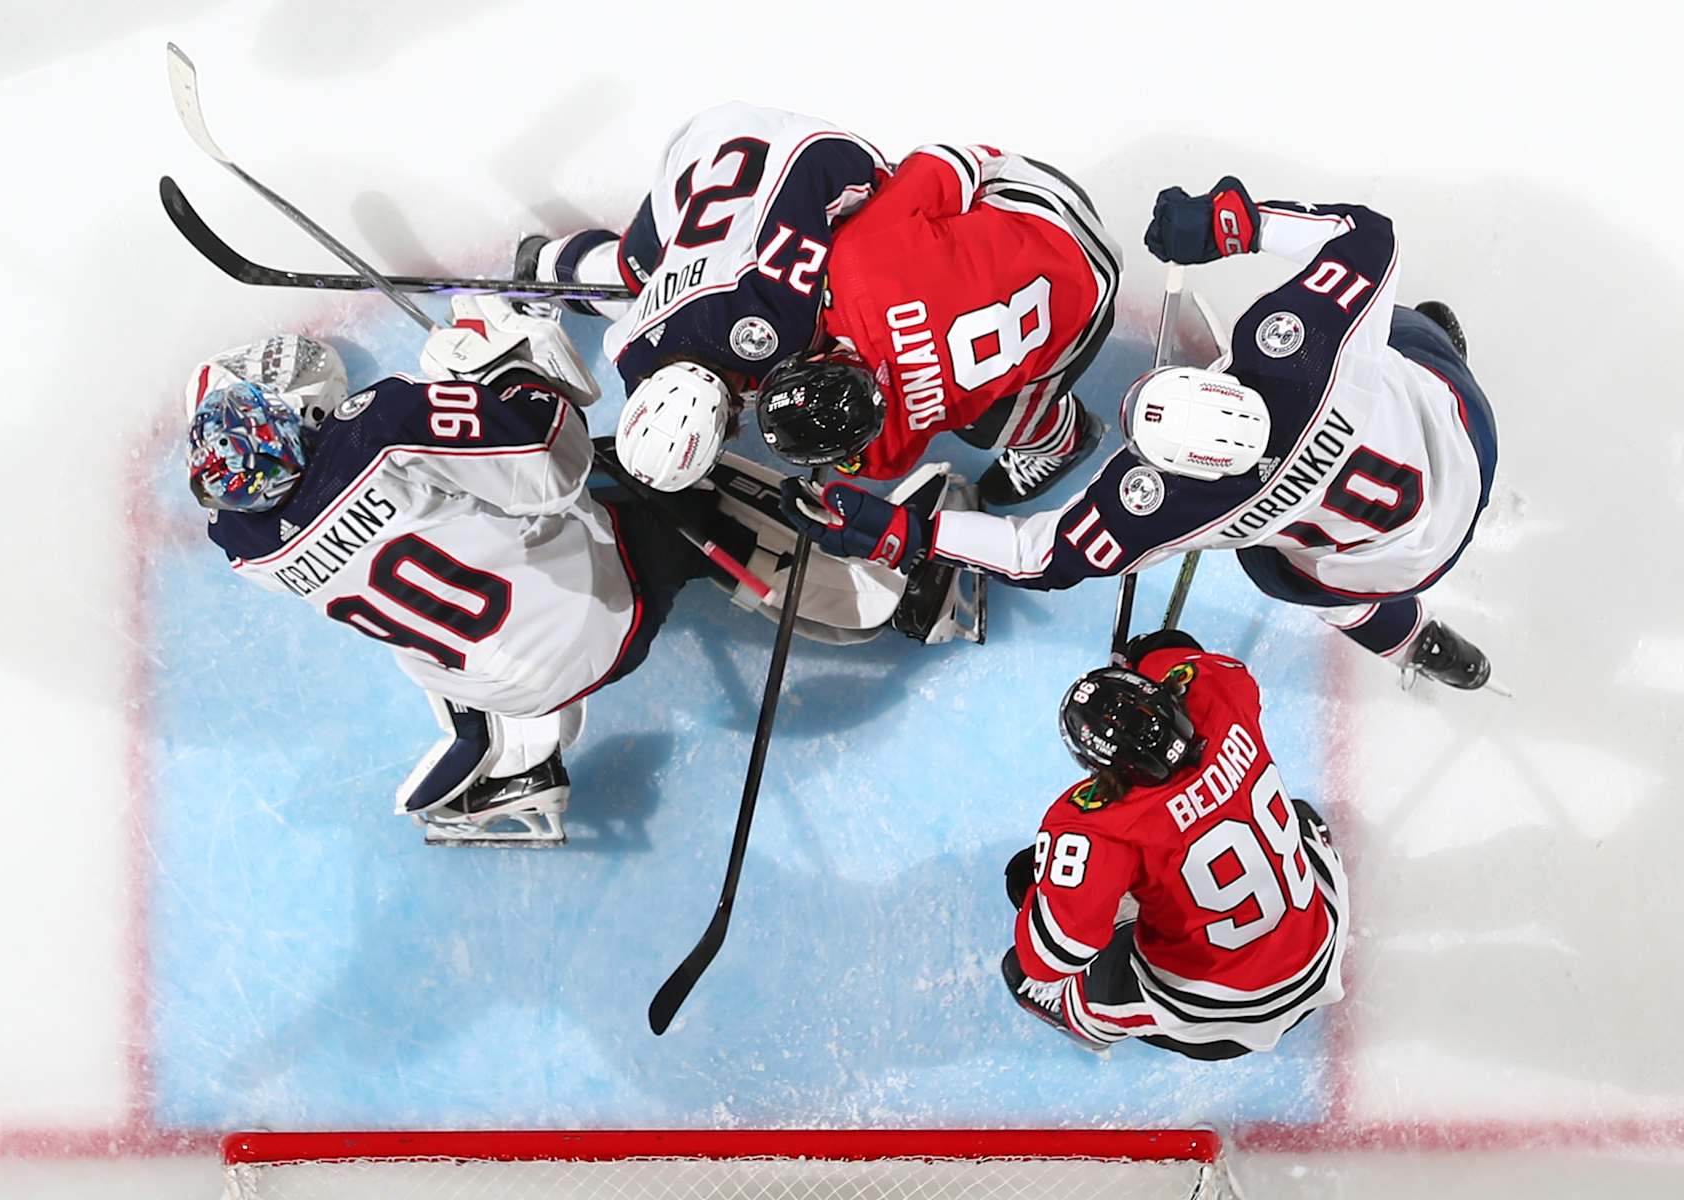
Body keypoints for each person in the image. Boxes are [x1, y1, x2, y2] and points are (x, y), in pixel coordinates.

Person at [185, 297, 974, 845]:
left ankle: (514, 767)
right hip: (601, 621)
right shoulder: (383, 428)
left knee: (446, 600)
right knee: (667, 482)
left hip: (488, 682)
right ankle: (894, 594)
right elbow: (553, 463)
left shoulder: (245, 547)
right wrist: (509, 373)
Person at [780, 177, 1499, 689]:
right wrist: (1235, 222)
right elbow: (1368, 237)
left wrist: (903, 537)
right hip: (1468, 446)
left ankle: (1415, 642)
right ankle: (1438, 342)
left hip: (1396, 571)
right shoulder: (1302, 349)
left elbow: (1040, 555)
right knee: (1407, 334)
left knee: (1280, 572)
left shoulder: (1186, 503)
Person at [518, 102, 1121, 505]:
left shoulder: (884, 451)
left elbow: (867, 452)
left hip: (1079, 307)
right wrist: (892, 208)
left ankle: (1062, 439)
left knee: (989, 415)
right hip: (719, 158)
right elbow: (930, 163)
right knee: (634, 273)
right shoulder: (847, 269)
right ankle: (544, 269)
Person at [1002, 630, 1348, 1058]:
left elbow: (1051, 957)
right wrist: (1144, 661)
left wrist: (1045, 883)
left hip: (1225, 1009)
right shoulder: (1219, 694)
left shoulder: (1097, 824)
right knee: (1292, 815)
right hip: (1319, 937)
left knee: (1022, 969)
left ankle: (1082, 1017)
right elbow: (1175, 647)